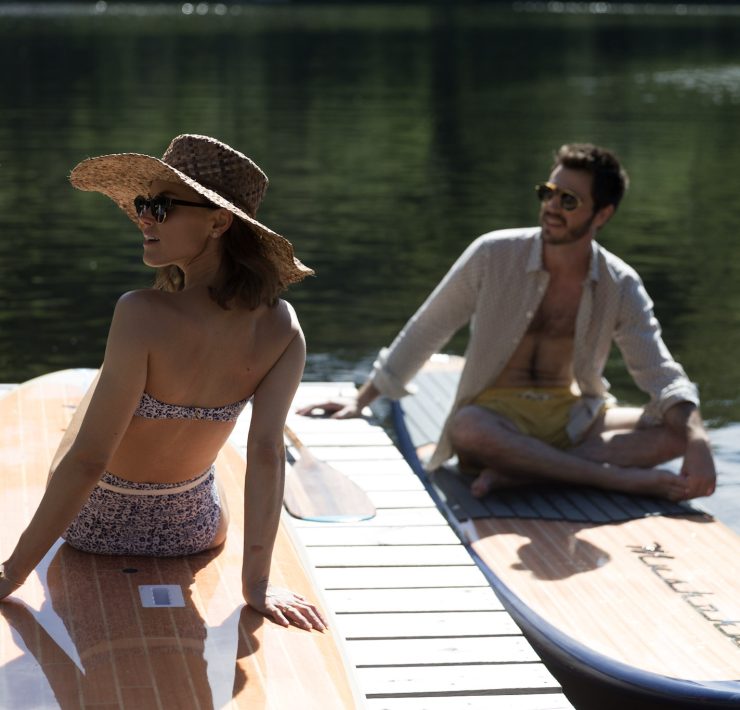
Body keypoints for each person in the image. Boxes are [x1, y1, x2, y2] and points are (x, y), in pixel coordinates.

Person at [0, 134, 326, 632]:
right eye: (142, 204)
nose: (144, 218)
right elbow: (265, 453)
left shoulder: (141, 311)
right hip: (191, 530)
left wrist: (12, 572)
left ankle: (113, 394)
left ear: (219, 222)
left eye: (161, 206)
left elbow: (88, 461)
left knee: (101, 392)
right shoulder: (284, 326)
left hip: (92, 526)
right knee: (206, 457)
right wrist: (256, 586)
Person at [299, 143, 716, 502]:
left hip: (573, 416)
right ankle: (608, 478)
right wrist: (363, 399)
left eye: (569, 200)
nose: (552, 207)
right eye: (549, 192)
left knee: (680, 429)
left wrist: (696, 439)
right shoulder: (493, 254)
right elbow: (430, 327)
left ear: (602, 215)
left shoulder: (618, 283)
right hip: (497, 415)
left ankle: (526, 473)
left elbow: (659, 371)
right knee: (467, 427)